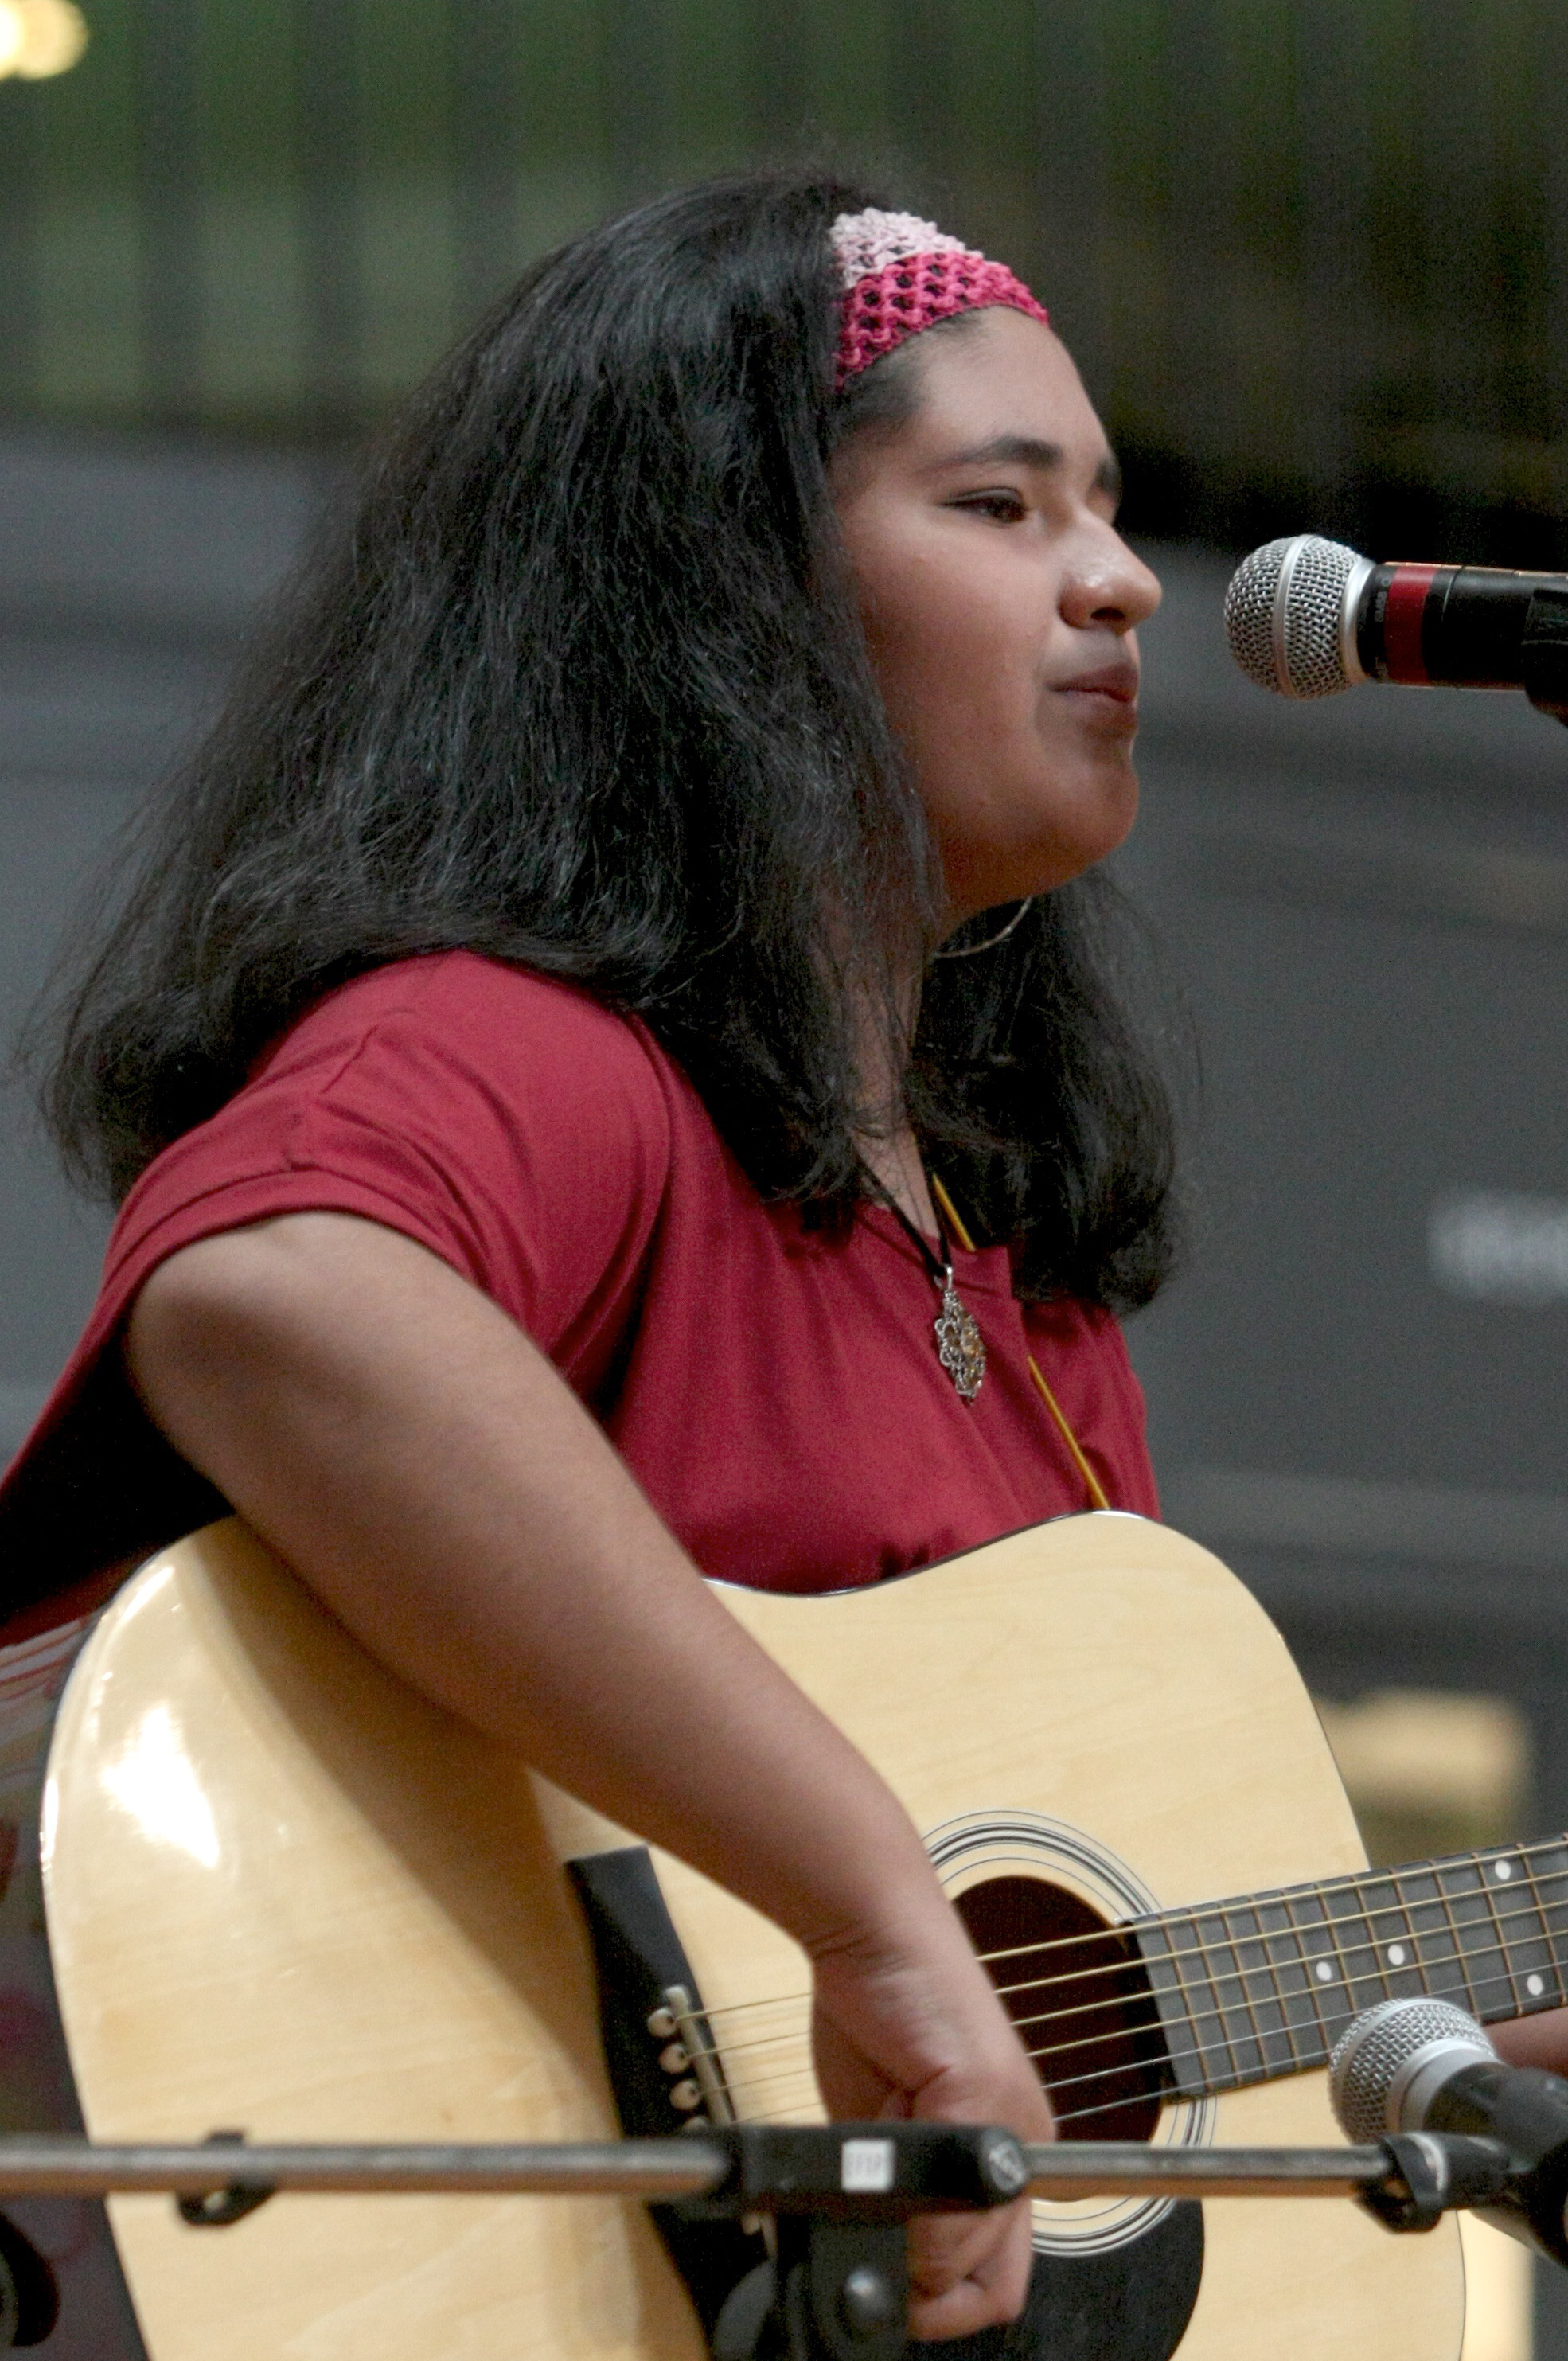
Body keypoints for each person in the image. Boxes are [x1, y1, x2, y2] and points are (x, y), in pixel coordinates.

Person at [1, 172, 1185, 2345]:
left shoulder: (1035, 1304)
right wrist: (867, 1901)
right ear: (729, 594)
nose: (1117, 582)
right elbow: (278, 1298)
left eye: (1101, 510)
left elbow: (1072, 2036)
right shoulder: (520, 1053)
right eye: (999, 506)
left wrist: (1446, 2050)